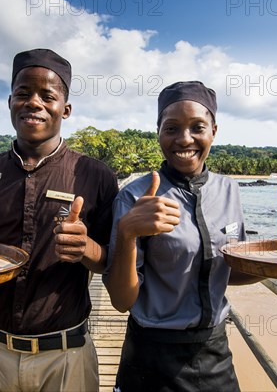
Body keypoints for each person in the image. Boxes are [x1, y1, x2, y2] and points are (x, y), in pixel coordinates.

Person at [0, 48, 119, 392]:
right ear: (10, 102)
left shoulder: (96, 176)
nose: (34, 102)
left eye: (48, 95)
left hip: (65, 355)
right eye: (23, 93)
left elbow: (114, 265)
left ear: (66, 108)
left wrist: (88, 248)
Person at [103, 81, 262, 391]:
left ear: (214, 130)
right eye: (172, 128)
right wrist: (126, 232)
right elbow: (122, 301)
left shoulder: (229, 190)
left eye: (197, 127)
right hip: (151, 355)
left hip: (215, 350)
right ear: (159, 132)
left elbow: (229, 270)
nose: (184, 139)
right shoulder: (135, 198)